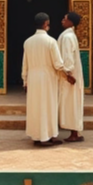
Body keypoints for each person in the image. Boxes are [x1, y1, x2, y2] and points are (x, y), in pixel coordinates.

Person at [22, 12, 66, 147]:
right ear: (46, 23)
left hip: (33, 78)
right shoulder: (51, 41)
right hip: (47, 78)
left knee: (35, 107)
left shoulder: (28, 42)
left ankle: (38, 135)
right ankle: (46, 136)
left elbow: (25, 64)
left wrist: (25, 80)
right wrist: (67, 74)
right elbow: (58, 63)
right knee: (48, 106)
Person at [57, 11, 84, 143]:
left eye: (65, 19)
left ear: (71, 22)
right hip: (71, 74)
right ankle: (75, 132)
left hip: (70, 76)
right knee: (73, 102)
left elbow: (68, 57)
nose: (62, 20)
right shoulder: (69, 35)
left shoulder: (67, 37)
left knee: (71, 102)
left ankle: (74, 133)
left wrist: (68, 73)